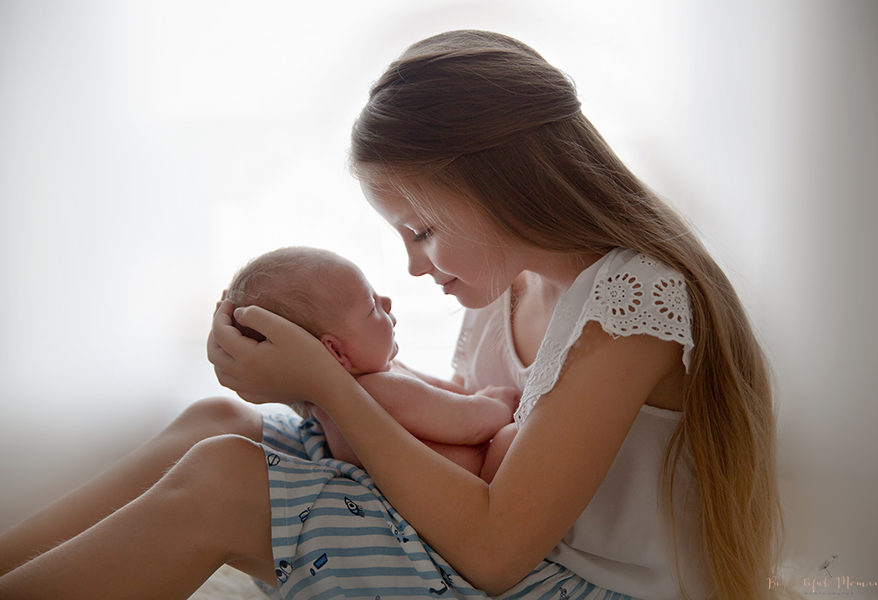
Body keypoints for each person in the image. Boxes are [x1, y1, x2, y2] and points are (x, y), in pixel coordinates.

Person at [0, 30, 785, 600]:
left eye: (423, 230)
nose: (413, 264)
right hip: (515, 559)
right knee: (217, 422)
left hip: (577, 585)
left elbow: (495, 550)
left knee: (223, 482)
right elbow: (449, 442)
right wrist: (312, 378)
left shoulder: (632, 302)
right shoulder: (508, 290)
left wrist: (331, 386)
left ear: (500, 184)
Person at [225, 245, 519, 482]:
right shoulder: (377, 390)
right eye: (371, 306)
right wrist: (499, 403)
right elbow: (466, 423)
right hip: (470, 481)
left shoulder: (359, 383)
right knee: (512, 439)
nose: (387, 302)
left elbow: (441, 389)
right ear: (335, 351)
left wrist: (473, 397)